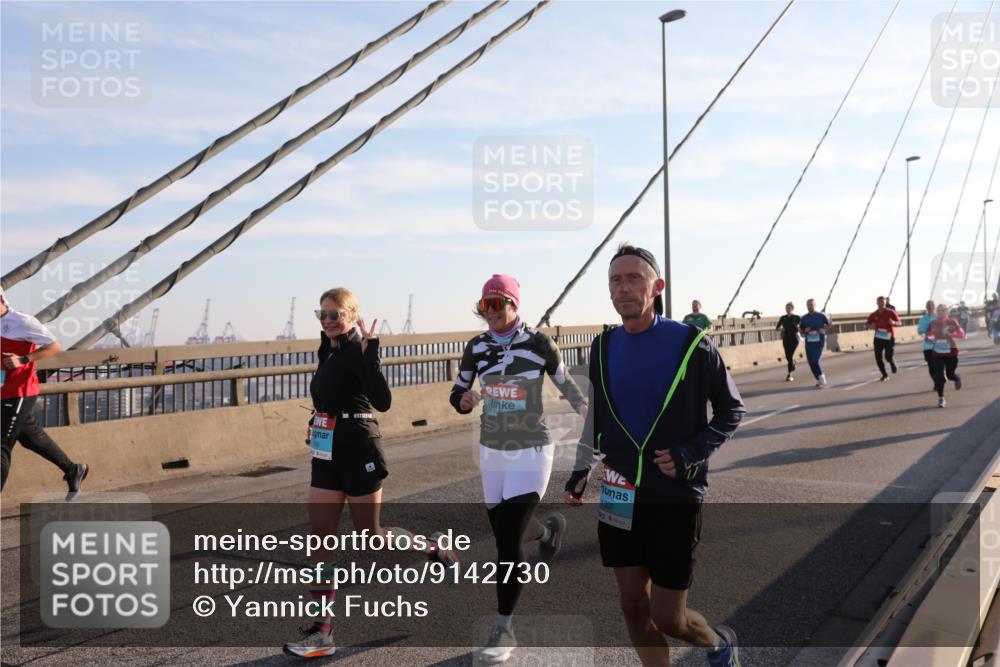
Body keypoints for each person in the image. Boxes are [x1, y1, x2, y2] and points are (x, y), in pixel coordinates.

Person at [564, 244, 746, 667]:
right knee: (631, 606)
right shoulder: (602, 346)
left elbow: (732, 409)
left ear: (657, 287)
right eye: (615, 280)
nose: (623, 288)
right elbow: (599, 417)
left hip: (674, 492)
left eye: (634, 279)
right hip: (618, 489)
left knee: (668, 617)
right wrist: (581, 469)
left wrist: (689, 453)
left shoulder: (690, 343)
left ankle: (719, 644)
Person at [284, 287, 454, 659]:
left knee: (371, 536)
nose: (328, 321)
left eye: (336, 314)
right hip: (327, 452)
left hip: (360, 447)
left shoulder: (360, 349)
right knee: (319, 540)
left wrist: (372, 352)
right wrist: (318, 422)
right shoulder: (326, 350)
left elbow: (383, 401)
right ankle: (321, 633)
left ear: (352, 314)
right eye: (323, 314)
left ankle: (433, 547)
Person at [449, 274, 588, 664]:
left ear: (513, 304)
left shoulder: (539, 343)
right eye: (485, 306)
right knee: (505, 527)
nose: (490, 312)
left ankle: (502, 626)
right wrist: (465, 399)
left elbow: (568, 385)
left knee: (507, 541)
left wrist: (587, 413)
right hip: (493, 449)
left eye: (497, 304)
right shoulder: (476, 348)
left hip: (531, 447)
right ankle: (546, 531)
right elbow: (456, 392)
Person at [1, 287, 88, 496]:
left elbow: (54, 345)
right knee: (30, 437)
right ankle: (73, 469)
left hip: (19, 391)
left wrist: (23, 360)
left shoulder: (22, 321)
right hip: (3, 390)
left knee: (1, 444)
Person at [928, 303, 965, 408]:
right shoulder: (933, 323)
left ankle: (956, 378)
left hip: (951, 352)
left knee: (950, 375)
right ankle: (941, 398)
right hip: (937, 352)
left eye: (942, 310)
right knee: (939, 376)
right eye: (938, 310)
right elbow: (929, 334)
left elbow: (962, 335)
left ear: (946, 312)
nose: (940, 312)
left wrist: (951, 334)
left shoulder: (952, 322)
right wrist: (931, 338)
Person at [865, 296, 902, 382]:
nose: (881, 304)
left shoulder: (891, 312)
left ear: (885, 303)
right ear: (876, 303)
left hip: (889, 337)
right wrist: (870, 326)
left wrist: (893, 323)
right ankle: (884, 375)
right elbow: (865, 325)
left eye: (883, 302)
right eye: (879, 302)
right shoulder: (873, 315)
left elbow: (900, 322)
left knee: (888, 356)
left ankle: (892, 362)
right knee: (878, 357)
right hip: (878, 338)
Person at [799, 299, 832, 388]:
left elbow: (830, 323)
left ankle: (821, 377)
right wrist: (804, 331)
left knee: (815, 360)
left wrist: (823, 329)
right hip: (809, 342)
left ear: (815, 305)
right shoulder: (804, 318)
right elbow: (801, 331)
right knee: (810, 362)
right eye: (808, 305)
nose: (809, 306)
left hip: (819, 341)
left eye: (811, 305)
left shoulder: (821, 315)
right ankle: (818, 379)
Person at [775, 302, 801, 381]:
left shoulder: (797, 317)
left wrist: (799, 328)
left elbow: (802, 326)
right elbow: (777, 328)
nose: (787, 309)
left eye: (789, 308)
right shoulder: (783, 317)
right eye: (786, 308)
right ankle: (793, 362)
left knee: (790, 355)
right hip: (786, 338)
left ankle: (790, 375)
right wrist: (781, 329)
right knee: (787, 356)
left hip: (795, 338)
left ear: (792, 308)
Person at [916, 300, 938, 383]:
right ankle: (936, 382)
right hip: (928, 346)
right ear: (926, 307)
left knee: (939, 365)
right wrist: (927, 328)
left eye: (931, 306)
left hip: (939, 345)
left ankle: (941, 377)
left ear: (934, 307)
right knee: (931, 366)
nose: (930, 308)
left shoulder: (939, 317)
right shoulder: (923, 319)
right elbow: (919, 331)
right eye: (928, 306)